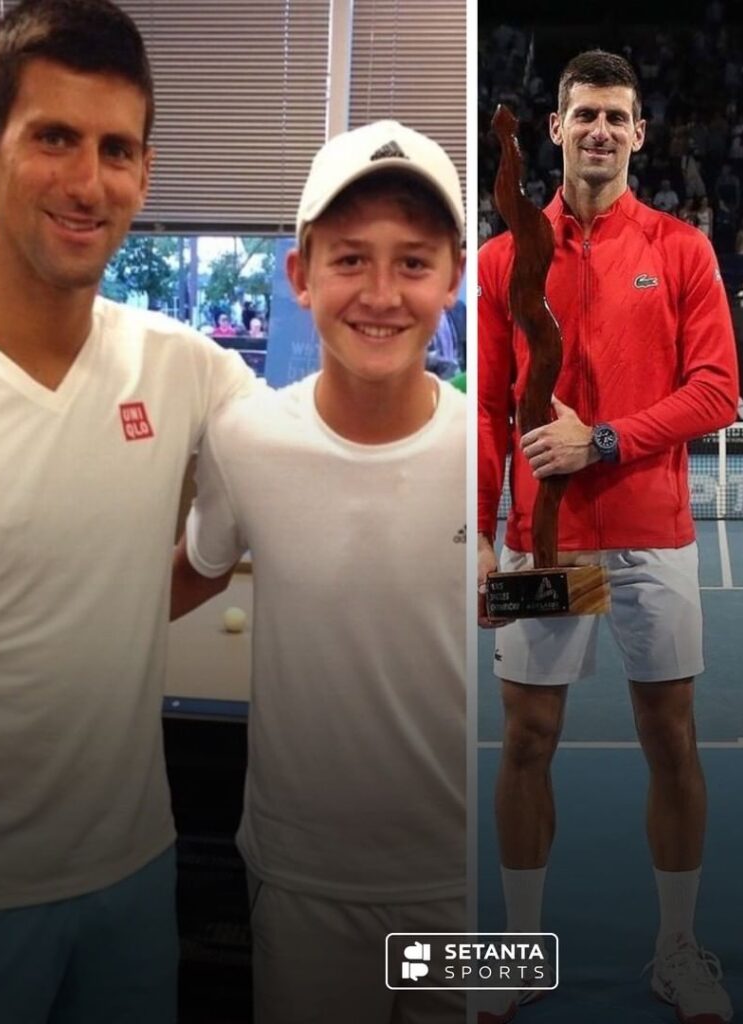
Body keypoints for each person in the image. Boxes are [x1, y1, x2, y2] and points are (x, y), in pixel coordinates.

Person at [0, 2, 254, 1022]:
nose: (89, 183)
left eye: (117, 149)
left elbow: (315, 466)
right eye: (55, 138)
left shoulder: (182, 367)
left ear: (145, 169)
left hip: (136, 873)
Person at [171, 120, 467, 1024]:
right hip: (301, 885)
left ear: (454, 275)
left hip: (458, 890)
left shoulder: (489, 446)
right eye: (349, 260)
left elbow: (551, 595)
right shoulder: (244, 437)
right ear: (300, 276)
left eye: (413, 262)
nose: (380, 294)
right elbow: (194, 571)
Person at [478, 49, 739, 1024]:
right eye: (582, 114)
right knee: (526, 739)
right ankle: (515, 953)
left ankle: (677, 947)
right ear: (554, 128)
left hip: (649, 540)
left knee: (669, 739)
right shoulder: (504, 256)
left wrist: (607, 438)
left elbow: (715, 388)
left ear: (638, 133)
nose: (598, 131)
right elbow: (485, 414)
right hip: (540, 544)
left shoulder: (679, 249)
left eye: (615, 118)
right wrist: (475, 533)